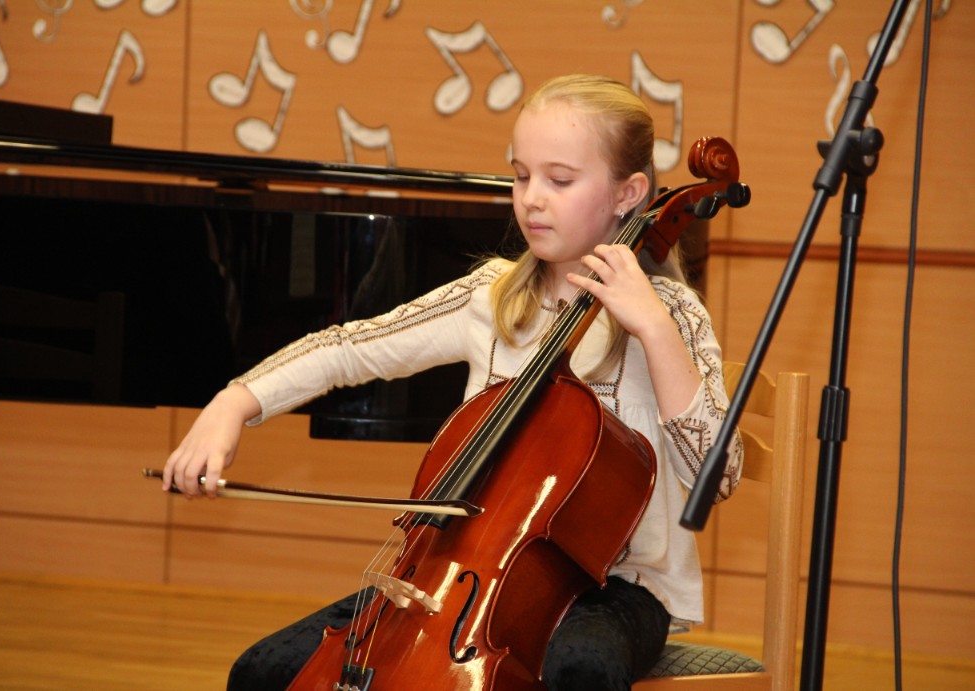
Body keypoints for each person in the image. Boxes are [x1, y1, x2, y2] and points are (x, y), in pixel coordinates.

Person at [162, 73, 744, 690]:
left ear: (629, 194)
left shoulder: (671, 315)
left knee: (581, 669)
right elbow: (347, 349)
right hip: (462, 577)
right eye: (521, 176)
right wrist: (234, 401)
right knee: (264, 670)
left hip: (617, 589)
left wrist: (654, 330)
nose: (532, 199)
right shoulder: (491, 297)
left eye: (559, 180)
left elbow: (722, 473)